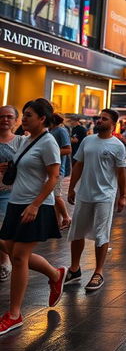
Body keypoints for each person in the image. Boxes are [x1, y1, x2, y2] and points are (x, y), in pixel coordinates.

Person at [0, 99, 67, 336]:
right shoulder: (27, 140)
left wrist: (36, 205)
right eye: (24, 114)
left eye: (28, 115)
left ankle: (14, 315)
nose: (23, 118)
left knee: (18, 257)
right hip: (17, 203)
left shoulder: (48, 142)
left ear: (42, 118)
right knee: (8, 247)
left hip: (35, 206)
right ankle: (54, 274)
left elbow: (53, 177)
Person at [65, 109, 126, 291]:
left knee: (101, 234)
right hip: (84, 193)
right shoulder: (88, 140)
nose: (99, 120)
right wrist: (71, 188)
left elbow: (121, 173)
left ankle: (98, 272)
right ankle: (74, 269)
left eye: (104, 119)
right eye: (99, 118)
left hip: (105, 196)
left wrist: (122, 196)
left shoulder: (118, 146)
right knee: (77, 232)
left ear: (113, 124)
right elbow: (78, 165)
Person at [0, 107, 26, 282]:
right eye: (2, 117)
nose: (5, 120)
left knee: (2, 230)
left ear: (16, 120)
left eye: (9, 117)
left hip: (9, 192)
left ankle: (7, 260)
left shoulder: (21, 141)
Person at [50, 113, 72, 230]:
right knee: (53, 196)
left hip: (58, 168)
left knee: (56, 195)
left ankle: (66, 218)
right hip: (52, 168)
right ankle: (57, 222)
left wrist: (50, 151)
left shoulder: (60, 131)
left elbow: (68, 149)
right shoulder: (52, 130)